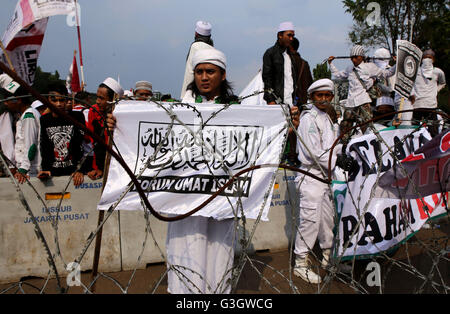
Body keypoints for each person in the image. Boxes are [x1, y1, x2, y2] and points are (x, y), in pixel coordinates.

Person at [293, 79, 340, 284]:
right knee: (310, 221)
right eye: (319, 95)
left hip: (325, 175)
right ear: (312, 97)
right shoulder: (308, 118)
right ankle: (300, 263)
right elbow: (315, 153)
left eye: (327, 95)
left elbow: (333, 147)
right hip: (311, 174)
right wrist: (338, 162)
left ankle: (328, 257)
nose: (323, 99)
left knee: (327, 220)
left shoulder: (327, 118)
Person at [328, 45, 396, 142]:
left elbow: (386, 73)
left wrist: (397, 64)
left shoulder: (370, 67)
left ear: (362, 57)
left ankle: (371, 143)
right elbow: (338, 75)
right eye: (352, 57)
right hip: (351, 103)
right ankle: (343, 147)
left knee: (367, 125)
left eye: (356, 57)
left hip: (364, 101)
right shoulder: (349, 69)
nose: (353, 60)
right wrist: (331, 64)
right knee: (345, 126)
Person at [37, 82, 86, 187]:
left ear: (66, 99)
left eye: (61, 100)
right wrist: (45, 169)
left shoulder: (77, 117)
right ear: (48, 101)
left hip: (73, 173)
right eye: (54, 100)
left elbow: (80, 145)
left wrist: (80, 169)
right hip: (52, 173)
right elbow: (44, 145)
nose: (58, 104)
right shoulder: (44, 119)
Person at [0, 75, 41, 184]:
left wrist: (23, 169)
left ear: (18, 100)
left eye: (7, 100)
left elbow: (30, 145)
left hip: (30, 171)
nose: (5, 103)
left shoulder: (29, 116)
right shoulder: (23, 116)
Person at [86, 78, 123, 180]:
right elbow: (95, 142)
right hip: (99, 166)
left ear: (112, 100)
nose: (97, 101)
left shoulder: (121, 115)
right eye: (97, 97)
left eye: (101, 98)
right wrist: (99, 167)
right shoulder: (93, 111)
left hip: (118, 167)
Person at [410, 49, 446, 137]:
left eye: (429, 57)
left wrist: (436, 91)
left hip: (431, 105)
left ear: (433, 59)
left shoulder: (438, 72)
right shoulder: (415, 71)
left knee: (433, 130)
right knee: (415, 130)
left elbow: (442, 83)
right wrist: (412, 95)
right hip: (417, 105)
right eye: (425, 57)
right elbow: (410, 84)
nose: (427, 59)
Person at [262, 21, 296, 106]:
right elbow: (267, 79)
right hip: (276, 103)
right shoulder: (270, 53)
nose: (291, 39)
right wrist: (270, 100)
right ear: (280, 35)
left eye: (292, 36)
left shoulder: (291, 56)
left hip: (291, 103)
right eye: (289, 35)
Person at [180, 20, 215, 100]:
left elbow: (190, 71)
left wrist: (187, 94)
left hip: (193, 93)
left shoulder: (195, 46)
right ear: (209, 36)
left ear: (196, 34)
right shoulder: (212, 49)